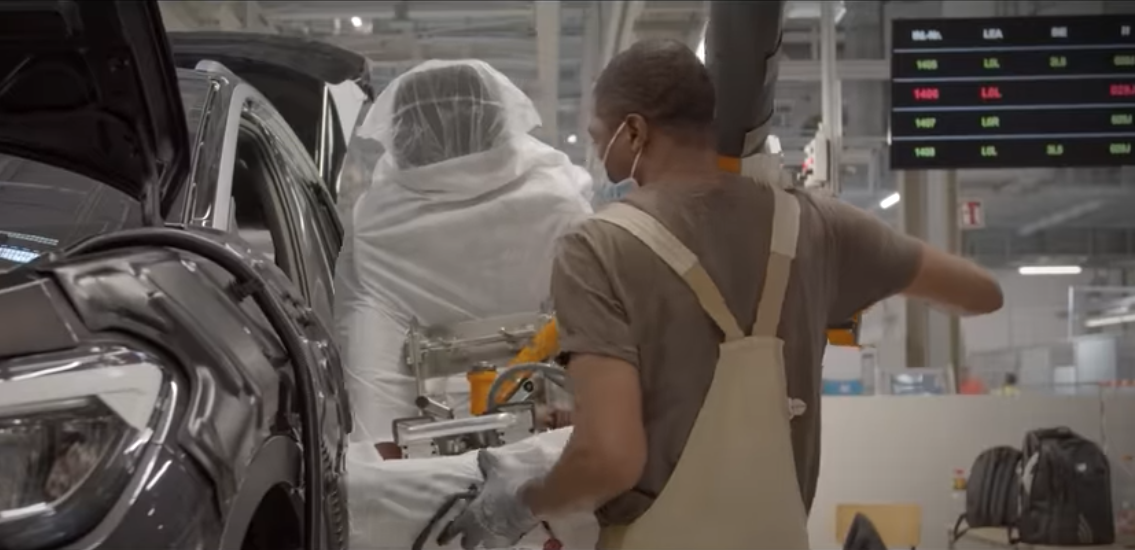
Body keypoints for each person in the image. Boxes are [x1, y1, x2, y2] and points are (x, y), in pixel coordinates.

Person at [441, 39, 1004, 549]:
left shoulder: (598, 247)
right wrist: (838, 288)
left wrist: (517, 503)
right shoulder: (817, 226)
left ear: (633, 132)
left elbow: (609, 457)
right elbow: (981, 294)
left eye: (598, 138)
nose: (599, 154)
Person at [334, 60, 593, 460]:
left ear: (404, 134)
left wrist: (381, 458)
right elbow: (593, 321)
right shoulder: (558, 199)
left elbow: (371, 355)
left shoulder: (378, 222)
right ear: (496, 119)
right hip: (556, 432)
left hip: (432, 444)